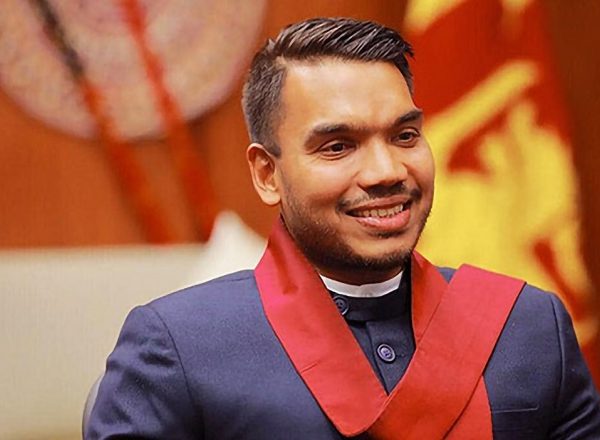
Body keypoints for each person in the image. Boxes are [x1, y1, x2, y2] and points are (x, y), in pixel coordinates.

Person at [86, 17, 600, 439]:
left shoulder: (530, 326)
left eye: (404, 136)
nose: (386, 172)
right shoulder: (179, 347)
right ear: (267, 174)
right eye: (338, 146)